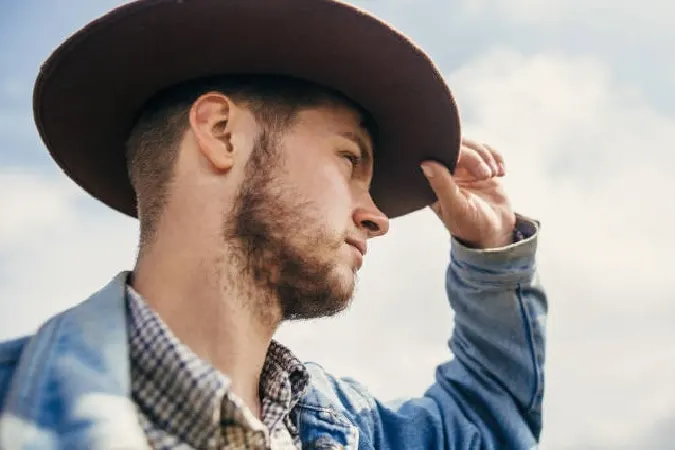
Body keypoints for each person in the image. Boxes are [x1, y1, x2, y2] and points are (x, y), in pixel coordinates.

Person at [0, 1, 547, 449]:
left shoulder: (351, 432)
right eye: (351, 160)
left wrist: (492, 248)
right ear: (222, 133)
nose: (376, 217)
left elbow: (488, 421)